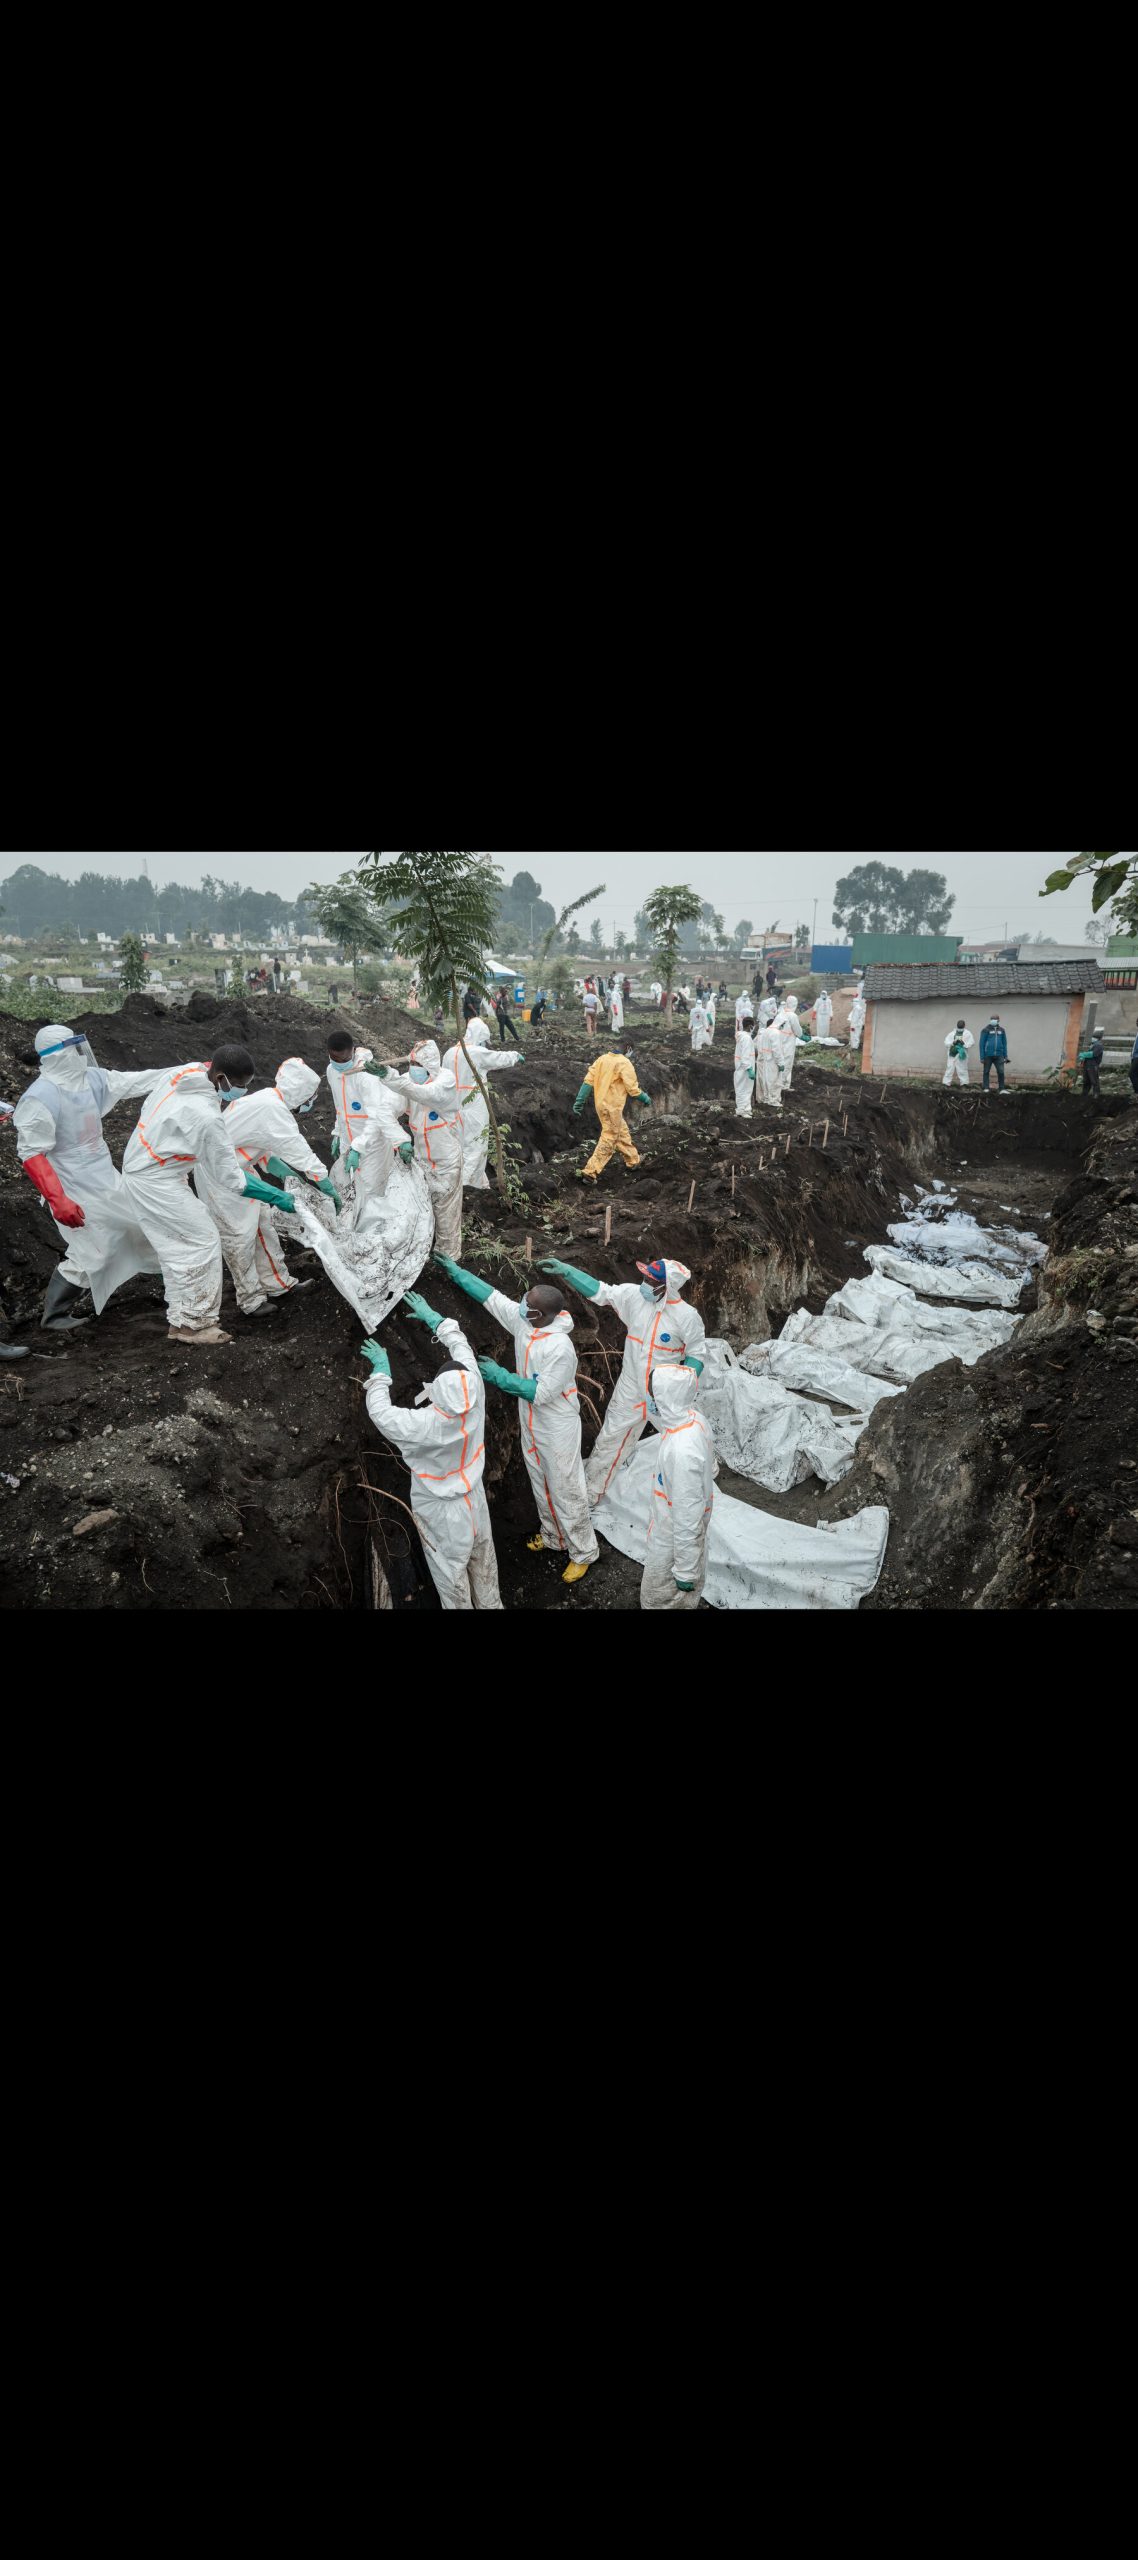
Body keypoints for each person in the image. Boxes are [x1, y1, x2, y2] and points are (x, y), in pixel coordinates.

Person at [433, 1258, 599, 1585]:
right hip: (532, 1420)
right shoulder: (526, 1322)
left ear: (540, 1314)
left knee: (567, 1488)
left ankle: (583, 1551)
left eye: (528, 1303)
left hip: (556, 1424)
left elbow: (542, 1392)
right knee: (540, 1480)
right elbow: (492, 1298)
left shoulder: (560, 1348)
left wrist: (500, 1376)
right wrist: (458, 1273)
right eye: (525, 1298)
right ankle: (553, 1537)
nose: (521, 1304)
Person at [120, 1049, 293, 1346]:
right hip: (156, 1179)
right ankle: (197, 1324)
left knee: (177, 1249)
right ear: (221, 1078)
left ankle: (181, 1320)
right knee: (202, 1241)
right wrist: (276, 1194)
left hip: (145, 1167)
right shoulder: (206, 1116)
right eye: (239, 1085)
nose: (242, 1091)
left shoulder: (187, 1072)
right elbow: (232, 1178)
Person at [14, 1025, 167, 1332]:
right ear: (59, 1054)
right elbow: (32, 1154)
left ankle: (178, 1288)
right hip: (72, 1186)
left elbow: (139, 1079)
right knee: (94, 1251)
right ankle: (54, 1314)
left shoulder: (93, 1080)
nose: (80, 1055)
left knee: (146, 1226)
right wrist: (59, 1201)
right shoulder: (39, 1099)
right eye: (73, 1049)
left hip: (105, 1178)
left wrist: (191, 1070)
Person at [360, 1297, 503, 1611]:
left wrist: (381, 1374)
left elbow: (382, 1414)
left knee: (451, 1575)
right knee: (484, 1561)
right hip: (474, 1498)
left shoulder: (424, 1424)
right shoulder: (475, 1394)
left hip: (443, 1512)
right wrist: (437, 1319)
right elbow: (461, 1348)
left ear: (436, 1392)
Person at [541, 1254, 706, 1506]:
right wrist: (567, 1271)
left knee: (685, 1440)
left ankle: (707, 1476)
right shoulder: (633, 1297)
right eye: (645, 1278)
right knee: (610, 1438)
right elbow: (601, 1291)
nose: (645, 1284)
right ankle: (590, 1496)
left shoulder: (687, 1317)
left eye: (651, 1281)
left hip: (664, 1395)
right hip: (630, 1388)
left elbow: (696, 1355)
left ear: (667, 1287)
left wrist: (679, 1389)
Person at [195, 1058, 337, 1317]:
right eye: (312, 1096)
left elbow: (262, 1145)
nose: (312, 1102)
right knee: (239, 1237)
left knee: (263, 1227)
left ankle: (279, 1285)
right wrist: (326, 1185)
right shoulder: (274, 1109)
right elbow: (299, 1149)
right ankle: (251, 1300)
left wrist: (289, 1174)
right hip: (219, 1176)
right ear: (302, 1093)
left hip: (240, 1167)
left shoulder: (267, 1101)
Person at [369, 1041, 465, 1257]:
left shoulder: (445, 1080)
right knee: (421, 1210)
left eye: (417, 1063)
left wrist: (388, 1076)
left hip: (446, 1160)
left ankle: (449, 1258)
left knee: (446, 1213)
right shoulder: (405, 1081)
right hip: (420, 1160)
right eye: (411, 1062)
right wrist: (400, 1140)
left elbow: (424, 1094)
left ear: (430, 1064)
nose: (413, 1067)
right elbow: (385, 1112)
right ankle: (421, 1253)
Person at [640, 1366, 716, 1612]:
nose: (650, 1399)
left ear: (665, 1399)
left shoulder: (682, 1452)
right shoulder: (693, 1419)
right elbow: (711, 1467)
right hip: (672, 1527)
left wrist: (685, 1569)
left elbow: (687, 1516)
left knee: (657, 1596)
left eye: (653, 1394)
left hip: (672, 1538)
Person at [326, 1029, 409, 1213]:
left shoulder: (365, 1076)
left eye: (344, 1060)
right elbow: (340, 1107)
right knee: (349, 1193)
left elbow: (377, 1116)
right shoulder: (332, 1071)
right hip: (349, 1142)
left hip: (373, 1146)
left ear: (353, 1052)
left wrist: (359, 1146)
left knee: (371, 1196)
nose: (340, 1064)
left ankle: (373, 1237)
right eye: (335, 1059)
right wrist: (338, 1132)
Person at [443, 1016, 523, 1190]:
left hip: (453, 1107)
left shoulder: (450, 1053)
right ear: (480, 1036)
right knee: (476, 1148)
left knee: (459, 1148)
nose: (485, 1044)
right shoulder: (475, 1052)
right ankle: (466, 1187)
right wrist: (515, 1055)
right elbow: (498, 1058)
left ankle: (478, 1183)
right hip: (474, 1107)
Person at [573, 1053, 651, 1182]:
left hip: (601, 1106)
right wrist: (645, 1098)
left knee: (621, 1131)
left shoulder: (601, 1060)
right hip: (612, 1108)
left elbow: (588, 1081)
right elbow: (632, 1089)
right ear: (629, 1048)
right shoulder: (624, 1063)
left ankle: (633, 1161)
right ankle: (590, 1171)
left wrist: (579, 1101)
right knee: (610, 1136)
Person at [773, 995, 804, 1092]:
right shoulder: (793, 1016)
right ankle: (782, 1086)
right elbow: (798, 1032)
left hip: (779, 1043)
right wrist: (803, 1035)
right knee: (787, 1065)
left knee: (780, 1064)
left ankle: (781, 1084)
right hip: (788, 1044)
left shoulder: (780, 1014)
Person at [735, 1016, 757, 1115]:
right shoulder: (746, 1038)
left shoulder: (742, 1036)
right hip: (745, 1068)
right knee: (744, 1089)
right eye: (753, 1026)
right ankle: (742, 1110)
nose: (754, 1028)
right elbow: (745, 1056)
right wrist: (749, 1069)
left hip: (741, 1067)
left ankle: (746, 1109)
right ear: (749, 1026)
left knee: (745, 1089)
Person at [943, 1020, 974, 1087]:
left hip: (961, 1053)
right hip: (952, 1053)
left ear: (964, 1026)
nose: (960, 1028)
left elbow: (971, 1042)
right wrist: (952, 1043)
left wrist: (964, 1044)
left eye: (961, 1026)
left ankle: (964, 1083)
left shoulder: (968, 1033)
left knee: (962, 1069)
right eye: (959, 1026)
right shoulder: (951, 1033)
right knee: (950, 1068)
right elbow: (946, 1042)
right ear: (957, 1025)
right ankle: (946, 1083)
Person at [1080, 1028, 1105, 1100]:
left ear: (1097, 1038)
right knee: (1086, 1081)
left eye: (1094, 1037)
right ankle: (1084, 1094)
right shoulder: (1093, 1044)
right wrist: (1083, 1058)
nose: (1092, 1038)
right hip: (1087, 1064)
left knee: (1094, 1080)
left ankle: (1096, 1094)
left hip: (1093, 1065)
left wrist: (1084, 1054)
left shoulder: (1099, 1045)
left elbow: (1093, 1054)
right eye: (1093, 1037)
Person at [1131, 1022, 1138, 1099]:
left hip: (1137, 1057)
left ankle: (1137, 1092)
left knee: (1132, 1074)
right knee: (1135, 1074)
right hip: (1134, 1056)